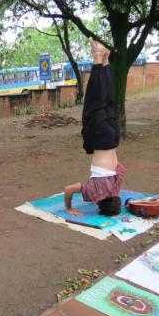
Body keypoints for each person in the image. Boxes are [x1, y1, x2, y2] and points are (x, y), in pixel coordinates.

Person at [64, 38, 126, 217]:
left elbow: (120, 170)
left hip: (114, 137)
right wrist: (69, 207)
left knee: (107, 101)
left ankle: (106, 60)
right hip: (101, 137)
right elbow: (69, 189)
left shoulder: (115, 187)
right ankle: (97, 57)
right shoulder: (95, 193)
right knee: (94, 100)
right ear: (99, 203)